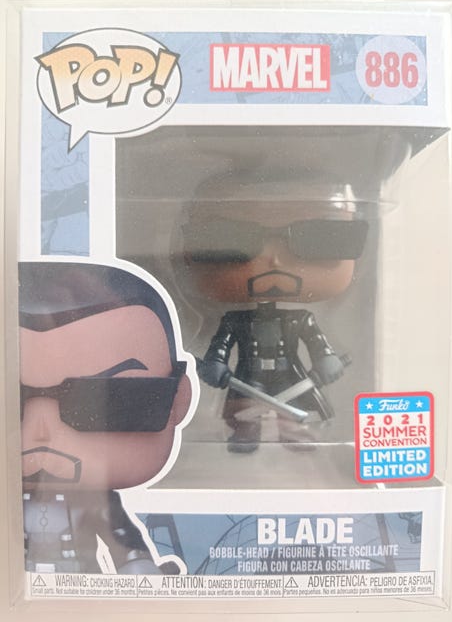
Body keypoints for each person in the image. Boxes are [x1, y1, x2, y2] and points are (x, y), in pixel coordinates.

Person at [19, 261, 194, 574]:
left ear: (178, 399)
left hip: (85, 590)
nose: (40, 431)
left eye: (113, 398)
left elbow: (125, 544)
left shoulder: (97, 502)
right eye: (13, 402)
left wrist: (140, 571)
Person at [180, 170, 368, 452]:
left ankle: (293, 433)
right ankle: (245, 433)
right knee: (242, 412)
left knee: (293, 408)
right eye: (232, 239)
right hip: (248, 376)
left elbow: (316, 341)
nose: (274, 259)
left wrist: (326, 359)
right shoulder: (235, 321)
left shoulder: (299, 320)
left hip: (289, 374)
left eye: (320, 237)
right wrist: (215, 364)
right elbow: (221, 345)